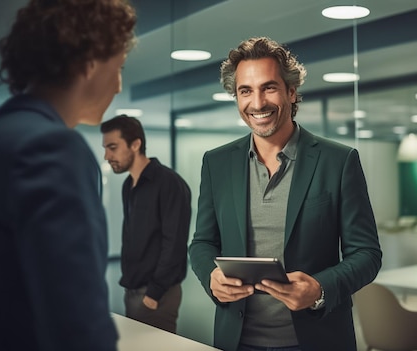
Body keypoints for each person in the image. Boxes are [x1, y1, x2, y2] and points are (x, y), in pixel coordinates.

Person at [0, 1, 136, 350]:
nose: (118, 86)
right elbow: (76, 321)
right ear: (89, 62)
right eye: (118, 68)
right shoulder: (52, 148)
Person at [188, 36, 383, 351]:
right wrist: (211, 275)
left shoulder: (339, 161)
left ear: (291, 92)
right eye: (245, 91)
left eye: (269, 87)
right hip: (237, 340)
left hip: (317, 339)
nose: (257, 103)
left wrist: (320, 288)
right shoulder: (216, 162)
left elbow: (367, 254)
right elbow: (202, 243)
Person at [101, 115, 192, 333]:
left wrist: (154, 293)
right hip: (132, 289)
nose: (106, 156)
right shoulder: (127, 185)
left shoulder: (170, 183)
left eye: (112, 147)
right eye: (105, 148)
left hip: (156, 295)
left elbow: (175, 243)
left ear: (135, 144)